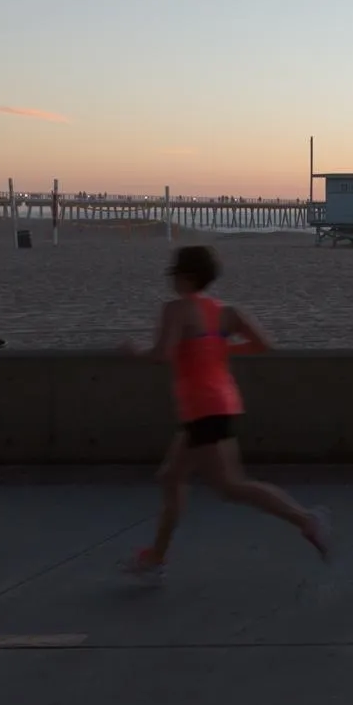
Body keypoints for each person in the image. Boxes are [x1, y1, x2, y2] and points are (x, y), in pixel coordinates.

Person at [122, 245, 329, 583]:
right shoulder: (226, 311)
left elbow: (161, 354)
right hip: (219, 403)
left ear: (185, 276)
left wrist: (133, 352)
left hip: (203, 407)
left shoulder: (176, 309)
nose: (172, 280)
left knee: (231, 486)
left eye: (174, 274)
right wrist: (221, 347)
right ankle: (155, 557)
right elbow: (264, 344)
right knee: (171, 477)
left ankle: (306, 519)